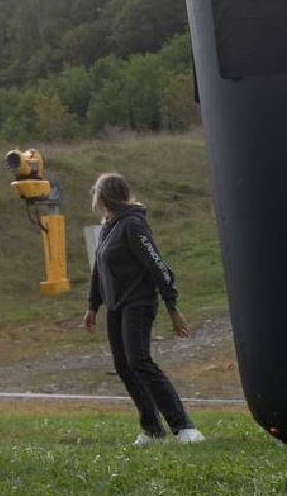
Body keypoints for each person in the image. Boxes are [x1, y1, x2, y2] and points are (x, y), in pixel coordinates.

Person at [84, 172, 205, 446]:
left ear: (104, 196)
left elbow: (158, 266)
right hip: (116, 305)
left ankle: (184, 427)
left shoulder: (133, 225)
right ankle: (152, 429)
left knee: (139, 361)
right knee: (123, 365)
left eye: (96, 191)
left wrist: (172, 308)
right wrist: (93, 306)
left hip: (138, 302)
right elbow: (98, 269)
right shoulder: (108, 226)